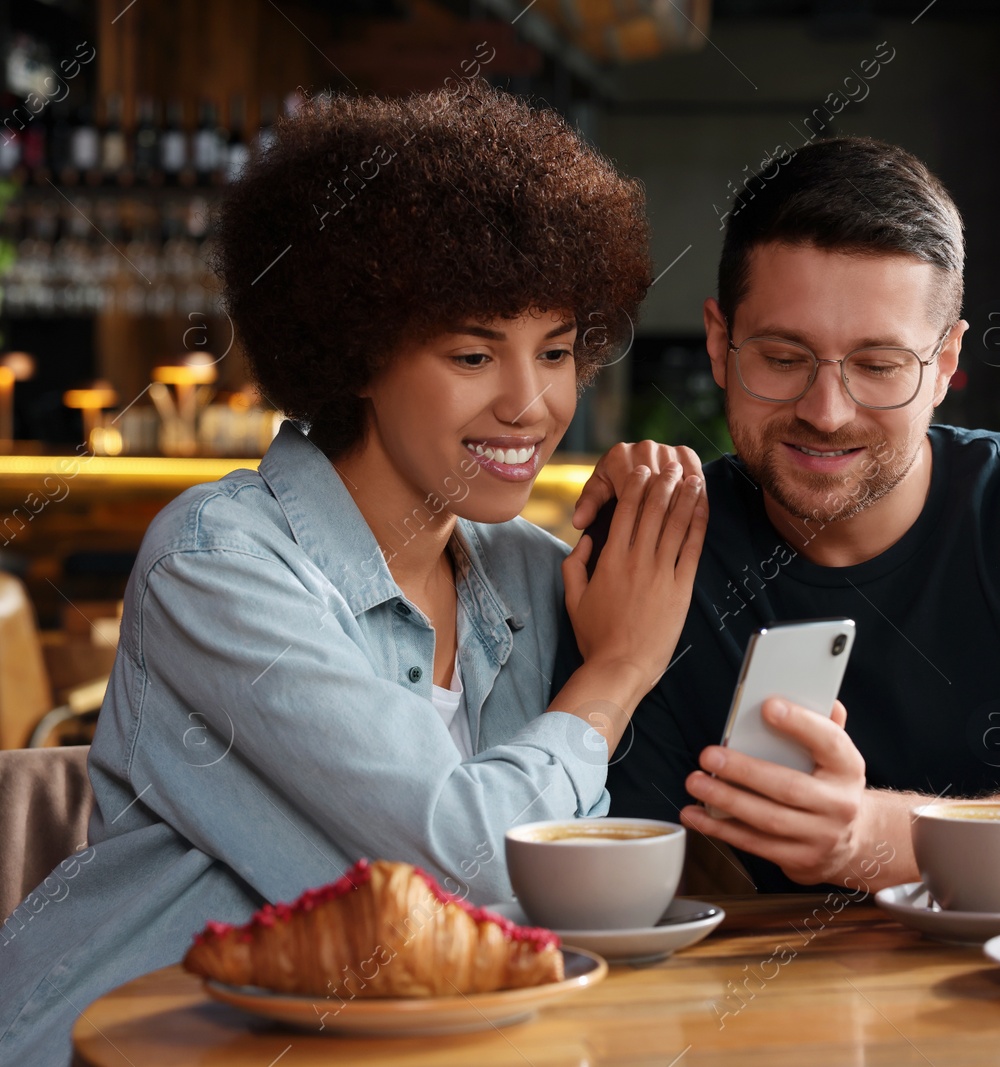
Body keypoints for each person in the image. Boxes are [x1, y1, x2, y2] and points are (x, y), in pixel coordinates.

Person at [0, 87, 705, 1065]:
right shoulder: (219, 562)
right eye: (473, 352)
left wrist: (666, 506)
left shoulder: (539, 577)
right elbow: (461, 865)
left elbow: (586, 889)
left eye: (555, 351)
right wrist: (614, 677)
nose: (531, 403)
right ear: (356, 350)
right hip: (123, 1041)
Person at [567, 137, 1000, 895]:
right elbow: (618, 888)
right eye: (781, 356)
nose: (826, 411)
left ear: (943, 365)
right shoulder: (655, 550)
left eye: (878, 365)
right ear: (718, 343)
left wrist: (869, 837)